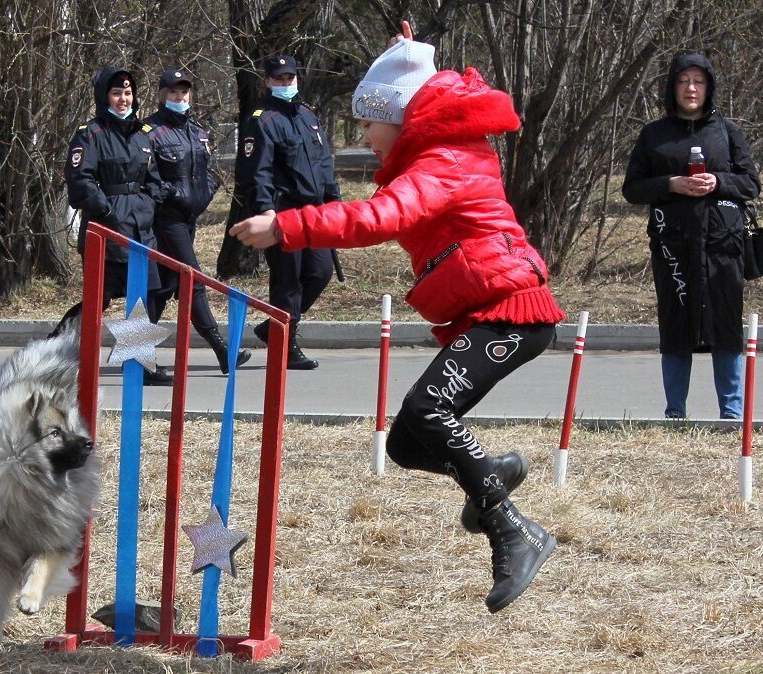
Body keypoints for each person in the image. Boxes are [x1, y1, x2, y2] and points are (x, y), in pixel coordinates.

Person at [230, 24, 565, 613]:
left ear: (399, 117)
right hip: (492, 311)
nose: (364, 135)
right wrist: (401, 54)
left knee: (425, 410)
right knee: (408, 444)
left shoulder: (442, 162)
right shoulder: (436, 155)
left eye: (367, 121)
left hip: (511, 312)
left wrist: (285, 227)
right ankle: (490, 474)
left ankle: (515, 528)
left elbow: (378, 218)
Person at [622, 52, 761, 420]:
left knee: (726, 326)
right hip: (673, 246)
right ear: (672, 87)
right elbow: (632, 189)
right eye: (683, 81)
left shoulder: (727, 132)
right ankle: (674, 413)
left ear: (709, 86)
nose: (691, 88)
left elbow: (750, 183)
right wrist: (672, 184)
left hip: (723, 247)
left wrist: (718, 181)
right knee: (675, 323)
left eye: (698, 81)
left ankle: (731, 415)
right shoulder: (653, 135)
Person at [56, 67, 175, 385]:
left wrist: (148, 203)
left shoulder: (142, 134)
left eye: (127, 93)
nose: (123, 99)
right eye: (116, 93)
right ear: (103, 97)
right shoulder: (90, 133)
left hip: (140, 231)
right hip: (105, 234)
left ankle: (138, 362)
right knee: (99, 299)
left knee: (145, 295)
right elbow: (80, 181)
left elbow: (154, 179)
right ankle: (56, 352)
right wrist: (108, 209)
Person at [234, 54, 341, 370]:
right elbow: (257, 171)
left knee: (320, 272)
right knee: (288, 281)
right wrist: (265, 210)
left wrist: (334, 202)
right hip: (282, 212)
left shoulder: (308, 116)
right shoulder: (262, 119)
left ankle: (275, 327)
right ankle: (286, 345)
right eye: (278, 79)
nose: (285, 84)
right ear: (267, 81)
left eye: (289, 78)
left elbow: (324, 164)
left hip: (315, 211)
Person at [144, 67, 251, 374]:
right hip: (165, 219)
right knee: (193, 279)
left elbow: (205, 170)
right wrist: (173, 195)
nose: (179, 97)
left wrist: (207, 192)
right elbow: (147, 178)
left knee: (163, 286)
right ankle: (222, 349)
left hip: (189, 218)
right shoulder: (150, 131)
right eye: (173, 92)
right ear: (163, 95)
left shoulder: (197, 130)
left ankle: (133, 351)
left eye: (184, 91)